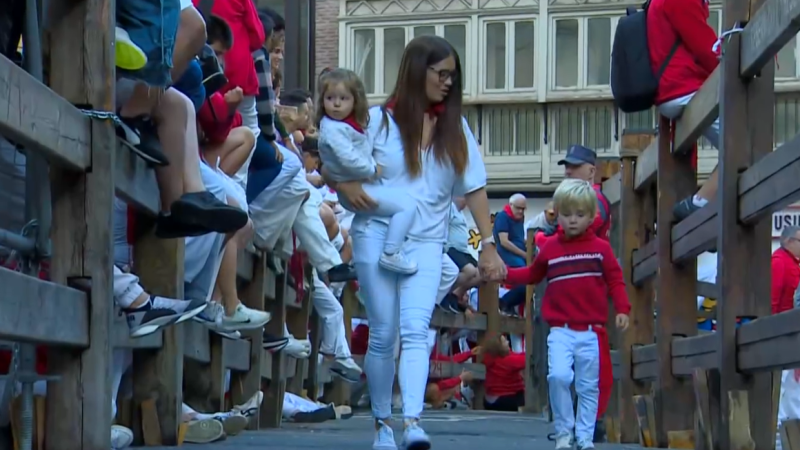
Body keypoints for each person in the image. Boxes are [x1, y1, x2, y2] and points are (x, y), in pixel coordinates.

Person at [324, 35, 506, 450]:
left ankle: (412, 423)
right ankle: (382, 426)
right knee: (384, 333)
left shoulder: (455, 127)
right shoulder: (376, 121)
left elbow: (474, 187)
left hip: (426, 243)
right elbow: (335, 156)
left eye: (452, 76)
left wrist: (489, 243)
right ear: (416, 71)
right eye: (441, 74)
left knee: (416, 329)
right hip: (375, 235)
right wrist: (343, 184)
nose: (447, 83)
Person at [504, 179, 630, 450]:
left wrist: (622, 309)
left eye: (580, 215)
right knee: (558, 376)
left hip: (591, 331)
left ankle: (584, 437)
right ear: (557, 214)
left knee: (588, 386)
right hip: (559, 329)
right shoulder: (550, 247)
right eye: (567, 214)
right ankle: (564, 430)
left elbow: (616, 280)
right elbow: (533, 274)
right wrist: (506, 273)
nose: (573, 220)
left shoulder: (601, 249)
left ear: (592, 217)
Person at [317, 68, 418, 275]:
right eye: (330, 98)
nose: (336, 104)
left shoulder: (349, 124)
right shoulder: (334, 128)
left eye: (343, 98)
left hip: (359, 185)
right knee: (407, 206)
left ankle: (391, 249)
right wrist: (371, 169)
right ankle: (391, 251)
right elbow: (346, 158)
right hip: (358, 187)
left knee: (404, 206)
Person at [646, 0, 719, 221]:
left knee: (740, 145)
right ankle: (701, 204)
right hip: (683, 86)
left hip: (672, 89)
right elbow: (706, 48)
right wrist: (738, 64)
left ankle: (707, 204)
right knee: (744, 146)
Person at [480, 334, 525, 411]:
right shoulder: (507, 361)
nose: (508, 342)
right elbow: (526, 360)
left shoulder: (490, 357)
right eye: (504, 342)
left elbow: (514, 355)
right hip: (504, 399)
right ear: (499, 347)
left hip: (489, 399)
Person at [493, 193, 527, 267]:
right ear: (510, 204)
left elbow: (518, 237)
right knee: (521, 267)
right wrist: (524, 254)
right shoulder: (502, 217)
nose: (521, 211)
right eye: (518, 208)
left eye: (523, 209)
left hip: (520, 253)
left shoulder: (520, 217)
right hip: (506, 254)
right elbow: (504, 242)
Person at [772, 225, 800, 315]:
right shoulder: (778, 262)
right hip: (783, 324)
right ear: (789, 241)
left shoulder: (792, 261)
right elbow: (772, 300)